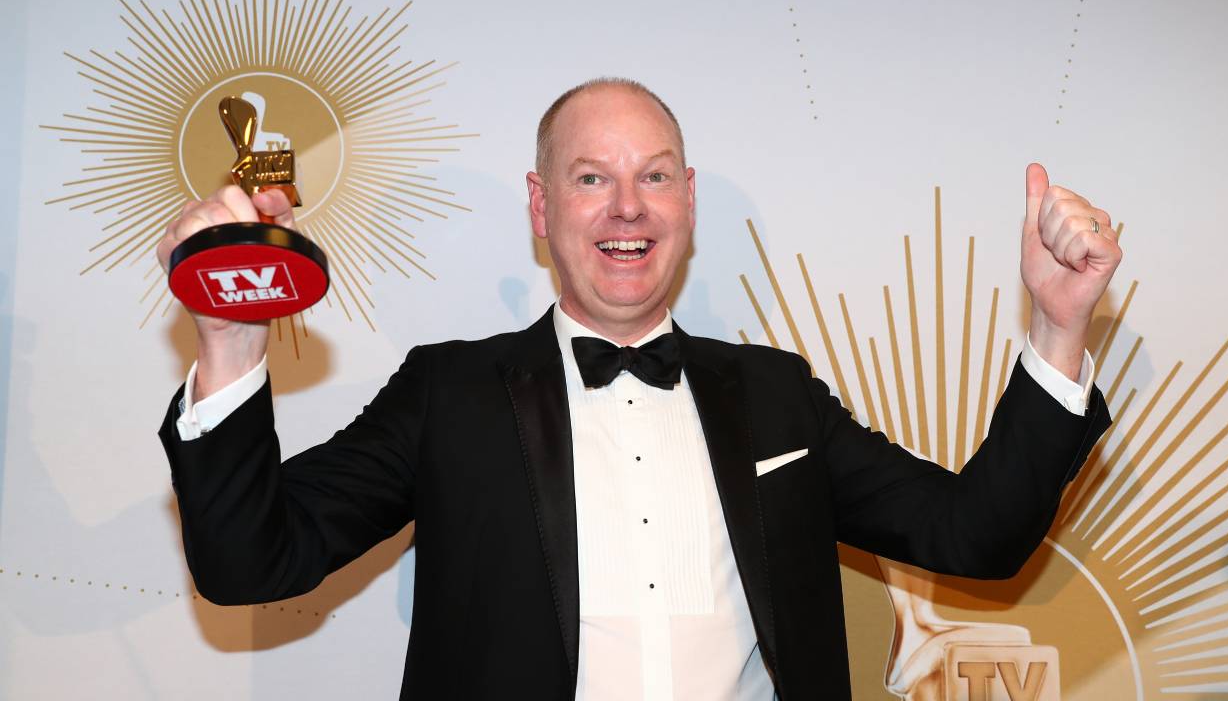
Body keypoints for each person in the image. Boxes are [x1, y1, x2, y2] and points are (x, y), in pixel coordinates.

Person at [156, 78, 1120, 700]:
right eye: (590, 179)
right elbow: (251, 565)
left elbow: (973, 536)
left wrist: (1058, 327)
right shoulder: (448, 392)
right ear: (541, 207)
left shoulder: (779, 395)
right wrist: (231, 342)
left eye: (653, 177)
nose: (627, 208)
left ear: (687, 201)